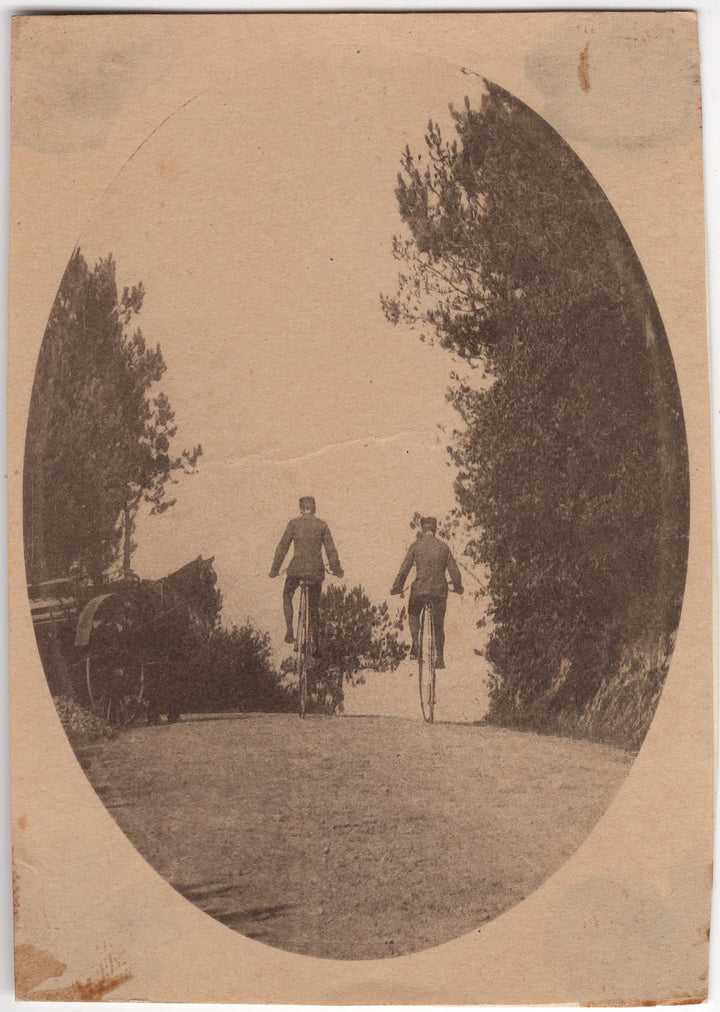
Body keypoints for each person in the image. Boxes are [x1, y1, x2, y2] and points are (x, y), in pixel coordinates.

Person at [269, 496, 344, 647]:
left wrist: (274, 570)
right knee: (314, 606)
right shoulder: (322, 525)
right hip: (315, 571)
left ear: (301, 508)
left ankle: (290, 631)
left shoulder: (293, 524)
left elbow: (282, 548)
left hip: (295, 570)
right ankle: (315, 641)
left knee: (287, 595)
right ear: (314, 508)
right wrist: (337, 570)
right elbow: (331, 551)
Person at [390, 516, 463, 669]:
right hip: (439, 592)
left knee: (413, 613)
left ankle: (416, 643)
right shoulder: (444, 547)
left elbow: (404, 569)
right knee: (439, 625)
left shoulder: (415, 546)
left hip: (420, 590)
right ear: (435, 529)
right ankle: (440, 658)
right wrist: (458, 587)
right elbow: (454, 572)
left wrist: (397, 587)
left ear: (423, 529)